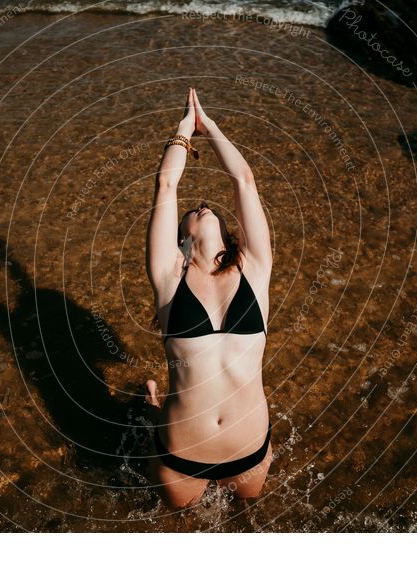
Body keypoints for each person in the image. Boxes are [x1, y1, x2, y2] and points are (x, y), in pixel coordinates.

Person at [144, 87, 274, 508]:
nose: (201, 203)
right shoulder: (169, 277)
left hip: (249, 451)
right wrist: (184, 128)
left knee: (249, 528)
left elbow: (244, 180)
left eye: (206, 206)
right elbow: (167, 183)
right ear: (181, 239)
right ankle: (151, 407)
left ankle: (150, 405)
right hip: (182, 457)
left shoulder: (254, 268)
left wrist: (210, 124)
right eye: (191, 209)